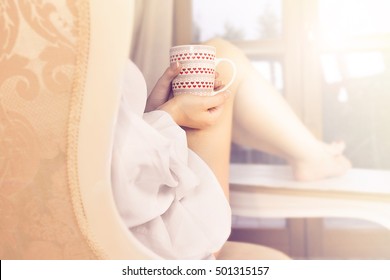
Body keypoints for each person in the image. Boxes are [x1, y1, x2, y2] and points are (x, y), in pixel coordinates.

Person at [111, 38, 351, 260]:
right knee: (223, 57)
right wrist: (170, 114)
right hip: (164, 239)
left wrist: (154, 114)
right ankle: (314, 155)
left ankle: (311, 154)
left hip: (143, 210)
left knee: (223, 85)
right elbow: (116, 173)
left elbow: (106, 144)